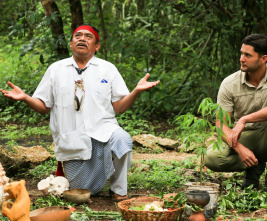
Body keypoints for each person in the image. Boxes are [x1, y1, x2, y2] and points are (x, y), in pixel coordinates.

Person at [0, 25, 160, 201]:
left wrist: (136, 91)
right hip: (72, 138)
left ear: (96, 46)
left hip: (103, 131)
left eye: (88, 37)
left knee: (122, 139)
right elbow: (43, 107)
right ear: (71, 44)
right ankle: (91, 179)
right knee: (81, 191)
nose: (82, 39)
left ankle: (118, 189)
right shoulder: (56, 69)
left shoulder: (108, 69)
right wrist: (25, 98)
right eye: (78, 36)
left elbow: (119, 107)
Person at [204, 34, 267, 198]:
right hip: (244, 137)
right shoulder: (229, 83)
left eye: (247, 55)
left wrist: (245, 118)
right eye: (241, 53)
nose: (241, 59)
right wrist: (239, 148)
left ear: (263, 58)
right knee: (212, 158)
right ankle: (253, 167)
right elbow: (221, 125)